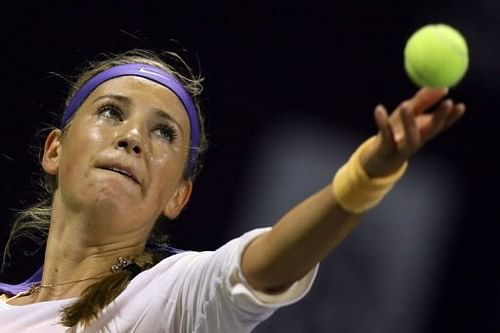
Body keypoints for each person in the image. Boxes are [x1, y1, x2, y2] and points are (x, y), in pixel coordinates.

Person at [0, 48, 466, 332]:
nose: (133, 137)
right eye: (110, 112)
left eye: (164, 133)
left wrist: (366, 176)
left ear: (178, 196)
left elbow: (264, 264)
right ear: (55, 150)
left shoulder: (170, 298)